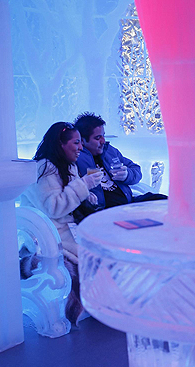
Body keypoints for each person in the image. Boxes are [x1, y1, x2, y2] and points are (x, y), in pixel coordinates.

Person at [21, 122, 103, 324]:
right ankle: (89, 303)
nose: (81, 147)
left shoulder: (68, 166)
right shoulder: (43, 169)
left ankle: (106, 302)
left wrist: (87, 195)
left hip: (69, 228)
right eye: (76, 142)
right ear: (60, 144)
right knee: (90, 259)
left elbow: (69, 197)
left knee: (105, 250)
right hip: (49, 232)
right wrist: (83, 185)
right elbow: (54, 207)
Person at [73, 112, 167, 220]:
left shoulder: (110, 151)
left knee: (165, 201)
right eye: (98, 138)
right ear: (82, 141)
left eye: (103, 135)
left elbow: (136, 169)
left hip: (128, 203)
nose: (103, 141)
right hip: (106, 212)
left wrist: (127, 175)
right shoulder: (76, 159)